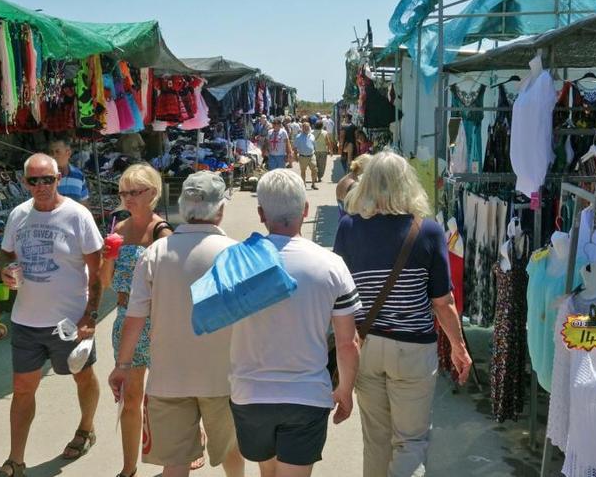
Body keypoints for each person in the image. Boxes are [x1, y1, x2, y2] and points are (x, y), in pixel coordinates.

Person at [334, 152, 472, 477]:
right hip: (412, 351)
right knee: (410, 442)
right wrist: (458, 346)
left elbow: (338, 294)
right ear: (407, 183)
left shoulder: (348, 228)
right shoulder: (427, 231)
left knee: (376, 441)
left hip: (366, 346)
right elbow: (442, 301)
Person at [109, 171, 245, 477]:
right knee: (231, 453)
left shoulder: (156, 253)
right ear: (220, 210)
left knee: (175, 462)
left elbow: (135, 316)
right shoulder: (236, 254)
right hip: (221, 377)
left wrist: (122, 365)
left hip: (168, 378)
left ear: (183, 206)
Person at [229, 169, 361, 477]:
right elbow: (347, 342)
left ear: (261, 213)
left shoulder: (235, 261)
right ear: (305, 209)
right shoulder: (331, 265)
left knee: (267, 473)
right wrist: (345, 389)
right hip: (307, 394)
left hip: (250, 394)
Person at [0, 153, 104, 477]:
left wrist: (90, 316)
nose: (41, 186)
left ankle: (86, 428)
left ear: (59, 178)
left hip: (69, 320)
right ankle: (16, 460)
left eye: (48, 179)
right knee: (23, 388)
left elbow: (96, 272)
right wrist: (4, 270)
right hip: (26, 320)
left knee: (83, 376)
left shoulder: (77, 216)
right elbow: (6, 252)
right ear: (24, 182)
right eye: (33, 180)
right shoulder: (18, 214)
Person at [98, 164, 173, 477]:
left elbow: (172, 285)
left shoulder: (162, 232)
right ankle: (128, 469)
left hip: (158, 323)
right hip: (125, 319)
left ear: (152, 193)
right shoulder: (118, 231)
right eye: (123, 192)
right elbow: (106, 283)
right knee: (130, 400)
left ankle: (175, 461)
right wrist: (109, 258)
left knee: (167, 399)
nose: (126, 198)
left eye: (134, 192)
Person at [49, 138, 90, 204]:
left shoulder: (79, 176)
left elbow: (84, 204)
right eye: (51, 152)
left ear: (68, 153)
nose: (53, 156)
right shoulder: (46, 177)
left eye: (57, 152)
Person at [293, 122, 319, 190]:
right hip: (302, 156)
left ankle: (313, 184)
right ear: (302, 128)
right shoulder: (298, 137)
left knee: (315, 170)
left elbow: (315, 146)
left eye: (308, 127)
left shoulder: (312, 136)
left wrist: (316, 154)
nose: (307, 128)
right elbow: (295, 147)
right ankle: (303, 184)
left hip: (311, 156)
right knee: (303, 171)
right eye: (305, 127)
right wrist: (295, 156)